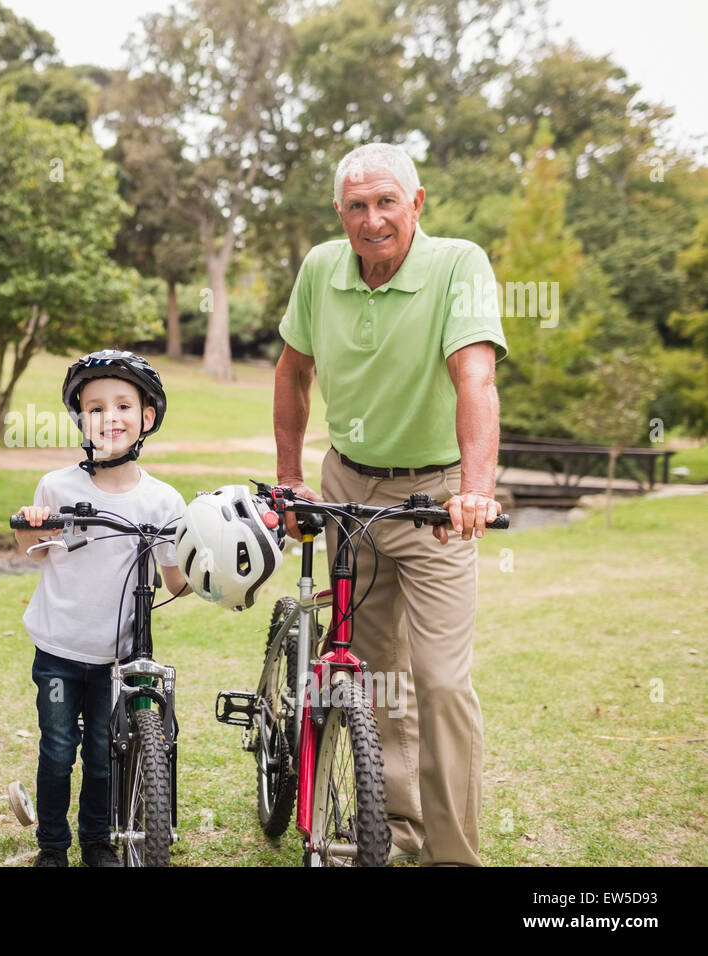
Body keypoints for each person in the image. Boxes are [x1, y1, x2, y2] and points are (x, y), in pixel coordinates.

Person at [273, 143, 507, 866]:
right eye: (355, 206)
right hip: (347, 489)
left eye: (386, 203)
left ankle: (452, 855)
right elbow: (293, 373)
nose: (371, 220)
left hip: (434, 499)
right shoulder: (321, 269)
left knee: (439, 680)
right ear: (340, 212)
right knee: (371, 672)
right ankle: (395, 826)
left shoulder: (458, 264)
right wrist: (289, 478)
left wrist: (475, 489)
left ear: (418, 203)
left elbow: (476, 380)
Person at [13, 350, 190, 867]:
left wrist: (210, 576)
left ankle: (97, 841)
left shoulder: (163, 501)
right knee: (58, 750)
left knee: (102, 758)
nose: (109, 417)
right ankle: (52, 846)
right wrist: (34, 523)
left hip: (120, 657)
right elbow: (33, 549)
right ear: (79, 418)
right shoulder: (58, 487)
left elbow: (175, 579)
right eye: (95, 408)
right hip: (60, 650)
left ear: (146, 418)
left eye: (122, 406)